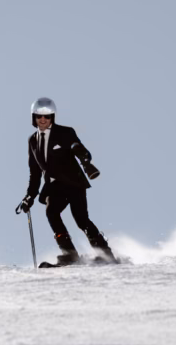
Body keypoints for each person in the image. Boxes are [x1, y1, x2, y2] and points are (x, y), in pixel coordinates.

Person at [18, 97, 118, 267]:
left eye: (47, 117)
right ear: (33, 118)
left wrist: (85, 160)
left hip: (73, 182)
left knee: (80, 218)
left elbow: (78, 147)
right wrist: (29, 197)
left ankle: (105, 254)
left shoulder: (65, 132)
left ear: (52, 118)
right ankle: (69, 254)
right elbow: (35, 173)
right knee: (51, 212)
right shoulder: (33, 141)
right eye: (39, 117)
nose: (43, 120)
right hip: (54, 185)